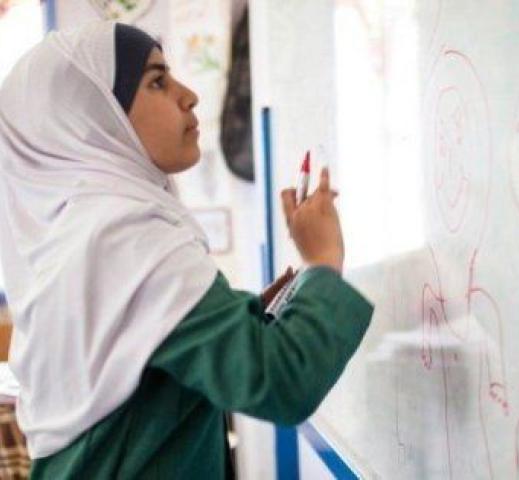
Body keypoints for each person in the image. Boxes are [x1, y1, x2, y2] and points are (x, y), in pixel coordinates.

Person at [0, 21, 373, 478]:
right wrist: (323, 260)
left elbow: (142, 356)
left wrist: (244, 315)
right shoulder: (124, 234)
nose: (189, 96)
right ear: (92, 117)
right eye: (157, 82)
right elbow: (282, 382)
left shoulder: (75, 233)